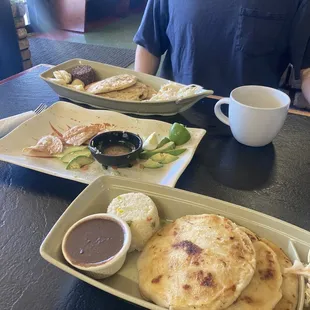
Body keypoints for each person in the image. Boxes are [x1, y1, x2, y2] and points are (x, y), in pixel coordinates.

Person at [133, 0, 310, 106]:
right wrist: (134, 105)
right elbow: (150, 44)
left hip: (251, 128)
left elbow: (307, 70)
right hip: (175, 116)